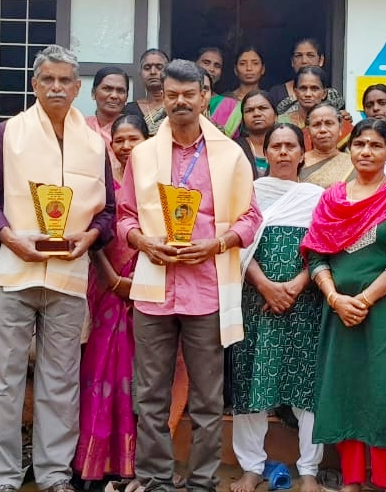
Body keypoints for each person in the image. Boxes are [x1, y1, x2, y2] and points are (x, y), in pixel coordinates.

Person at [0, 44, 115, 492]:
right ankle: (3, 477)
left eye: (64, 81)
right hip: (13, 273)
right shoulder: (8, 133)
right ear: (34, 84)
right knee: (3, 382)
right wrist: (9, 237)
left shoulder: (94, 143)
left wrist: (91, 237)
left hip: (69, 277)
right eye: (47, 79)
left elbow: (107, 213)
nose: (56, 87)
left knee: (61, 381)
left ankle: (54, 475)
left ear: (77, 88)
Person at [117, 59, 261, 492]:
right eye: (171, 94)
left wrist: (216, 244)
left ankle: (201, 483)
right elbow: (124, 216)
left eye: (188, 94)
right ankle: (156, 481)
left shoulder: (230, 154)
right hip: (154, 289)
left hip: (207, 289)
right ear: (162, 98)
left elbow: (251, 217)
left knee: (207, 398)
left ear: (205, 96)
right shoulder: (143, 155)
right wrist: (143, 242)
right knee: (150, 396)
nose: (180, 102)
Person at [303, 117, 386, 492]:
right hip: (339, 310)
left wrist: (364, 299)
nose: (366, 151)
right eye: (359, 144)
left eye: (375, 145)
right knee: (345, 388)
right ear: (350, 149)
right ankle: (353, 478)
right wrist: (335, 298)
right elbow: (316, 254)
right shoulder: (332, 199)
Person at [229, 123, 325, 492]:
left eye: (290, 146)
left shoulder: (317, 197)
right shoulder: (248, 193)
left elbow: (325, 246)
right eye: (276, 146)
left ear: (303, 153)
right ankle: (251, 467)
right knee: (250, 383)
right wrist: (265, 286)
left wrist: (298, 284)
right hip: (255, 301)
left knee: (306, 385)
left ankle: (309, 470)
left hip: (305, 302)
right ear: (265, 153)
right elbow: (237, 246)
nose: (283, 152)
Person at [73, 113, 148, 484]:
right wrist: (113, 279)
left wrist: (137, 282)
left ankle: (130, 463)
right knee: (99, 370)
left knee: (135, 376)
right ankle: (93, 464)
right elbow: (93, 233)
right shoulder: (100, 185)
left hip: (145, 291)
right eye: (119, 140)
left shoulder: (157, 183)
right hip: (104, 287)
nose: (126, 146)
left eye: (134, 139)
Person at [279, 67, 352, 151]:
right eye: (303, 88)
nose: (308, 94)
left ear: (324, 93)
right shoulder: (282, 122)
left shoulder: (339, 123)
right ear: (295, 92)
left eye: (314, 89)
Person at [268, 38, 344, 115]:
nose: (304, 61)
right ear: (292, 61)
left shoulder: (333, 96)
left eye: (310, 55)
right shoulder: (276, 93)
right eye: (298, 55)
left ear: (321, 60)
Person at [299, 104, 353, 187]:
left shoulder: (351, 164)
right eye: (316, 125)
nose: (323, 130)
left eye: (329, 123)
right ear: (308, 131)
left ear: (340, 129)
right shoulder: (298, 161)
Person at [87, 67, 132, 167]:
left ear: (126, 97)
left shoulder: (134, 129)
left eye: (120, 91)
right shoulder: (81, 127)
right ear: (93, 93)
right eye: (107, 89)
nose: (114, 95)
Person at [195, 48, 244, 139]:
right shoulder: (181, 99)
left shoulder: (231, 106)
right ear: (194, 64)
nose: (211, 69)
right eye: (206, 63)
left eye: (217, 66)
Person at [124, 49, 170, 136]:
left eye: (159, 67)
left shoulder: (175, 105)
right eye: (147, 68)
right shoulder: (130, 110)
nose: (153, 72)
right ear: (140, 73)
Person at [234, 90, 277, 178]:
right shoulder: (234, 148)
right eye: (249, 110)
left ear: (276, 115)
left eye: (263, 108)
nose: (256, 114)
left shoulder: (286, 147)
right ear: (243, 119)